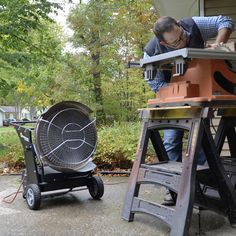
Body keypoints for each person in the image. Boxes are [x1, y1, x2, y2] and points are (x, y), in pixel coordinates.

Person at [144, 15, 234, 205]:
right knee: (172, 140)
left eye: (182, 35)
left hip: (199, 89)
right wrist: (179, 95)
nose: (183, 41)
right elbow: (158, 86)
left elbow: (225, 21)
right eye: (176, 42)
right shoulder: (151, 53)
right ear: (163, 43)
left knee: (202, 140)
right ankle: (174, 190)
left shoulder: (192, 25)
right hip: (173, 96)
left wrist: (219, 44)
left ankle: (203, 188)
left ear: (179, 25)